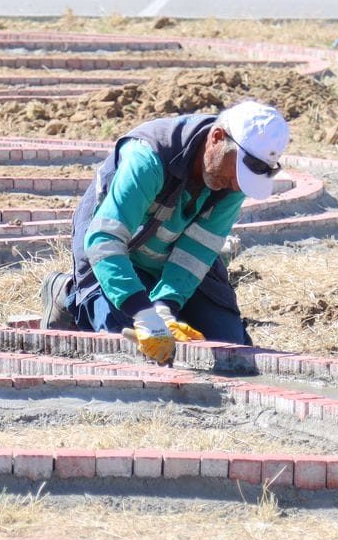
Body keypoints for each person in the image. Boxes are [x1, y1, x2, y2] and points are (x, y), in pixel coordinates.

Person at [39, 100, 290, 364]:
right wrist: (142, 313)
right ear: (216, 138)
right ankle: (66, 292)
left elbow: (198, 250)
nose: (237, 186)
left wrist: (166, 307)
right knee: (129, 347)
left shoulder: (233, 179)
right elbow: (105, 241)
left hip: (168, 252)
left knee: (228, 346)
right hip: (112, 248)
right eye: (236, 175)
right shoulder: (148, 158)